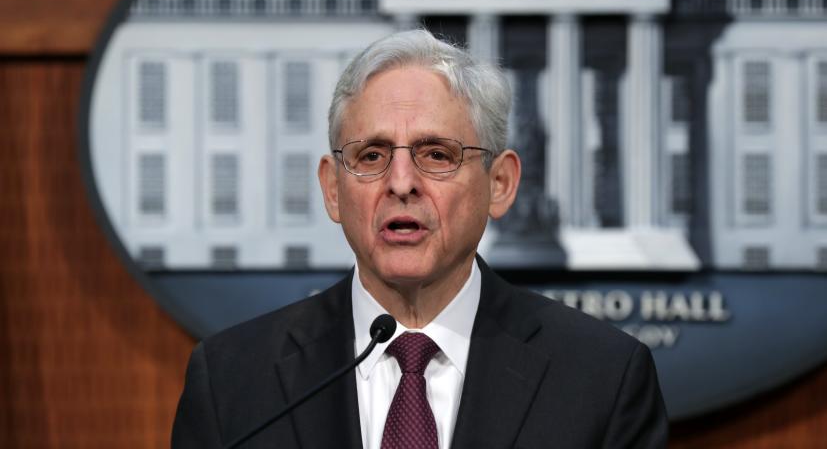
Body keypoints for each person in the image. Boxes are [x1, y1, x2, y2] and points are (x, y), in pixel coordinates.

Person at [172, 29, 668, 448]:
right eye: (371, 156)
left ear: (500, 184)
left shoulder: (603, 378)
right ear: (332, 189)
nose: (401, 182)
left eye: (436, 154)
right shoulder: (233, 381)